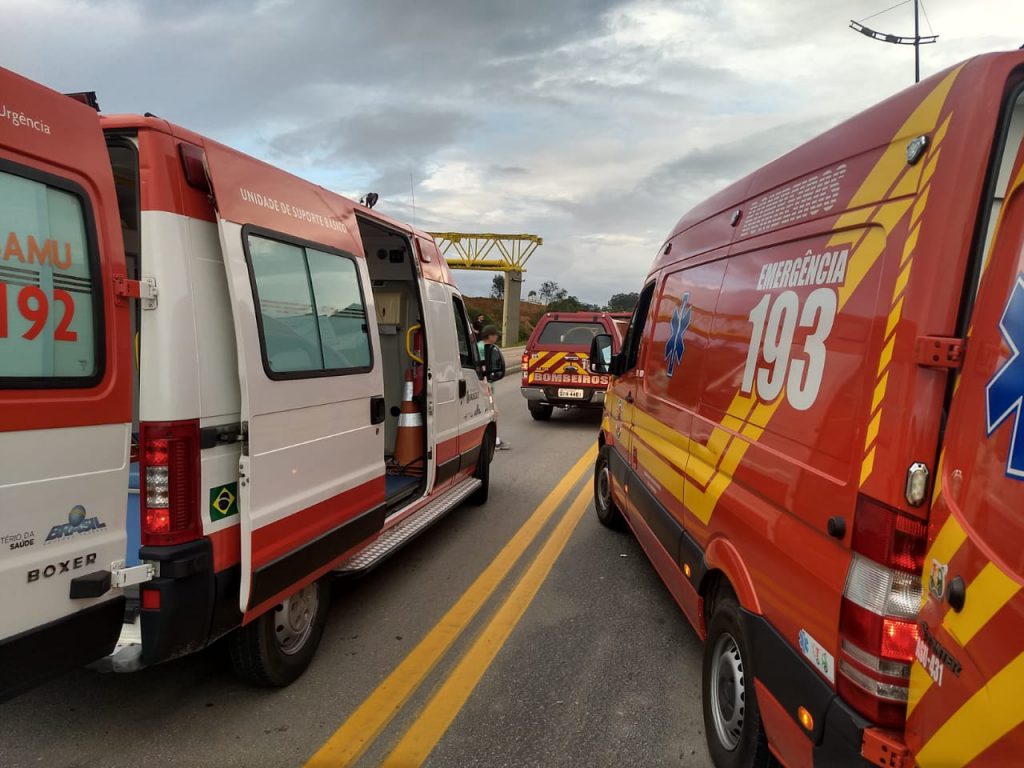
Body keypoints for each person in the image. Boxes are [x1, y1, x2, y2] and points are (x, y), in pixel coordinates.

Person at [477, 325, 510, 450]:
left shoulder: (482, 346)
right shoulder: (484, 348)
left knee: (492, 413)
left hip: (486, 385)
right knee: (493, 412)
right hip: (485, 386)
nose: (497, 336)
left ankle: (493, 440)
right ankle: (494, 441)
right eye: (495, 334)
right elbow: (483, 368)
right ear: (490, 336)